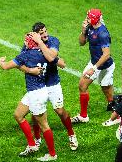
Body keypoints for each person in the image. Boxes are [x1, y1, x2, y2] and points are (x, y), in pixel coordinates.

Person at [0, 32, 57, 161]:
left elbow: (5, 66)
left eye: (25, 41)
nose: (24, 42)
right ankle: (32, 145)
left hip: (37, 94)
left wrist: (0, 61)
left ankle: (52, 154)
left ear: (29, 43)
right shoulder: (45, 53)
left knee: (44, 125)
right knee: (18, 115)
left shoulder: (26, 55)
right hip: (37, 90)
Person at [20, 22, 78, 151]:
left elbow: (52, 57)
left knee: (60, 111)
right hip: (37, 86)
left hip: (52, 84)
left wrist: (40, 43)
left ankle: (71, 134)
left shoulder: (53, 41)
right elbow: (20, 62)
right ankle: (37, 139)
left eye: (46, 31)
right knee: (35, 114)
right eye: (41, 33)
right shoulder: (28, 44)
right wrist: (30, 71)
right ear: (36, 35)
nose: (45, 34)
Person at [71, 8, 115, 123]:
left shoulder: (103, 33)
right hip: (94, 63)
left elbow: (106, 54)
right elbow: (81, 43)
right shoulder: (90, 28)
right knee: (82, 85)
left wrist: (93, 69)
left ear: (94, 19)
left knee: (106, 89)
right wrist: (83, 31)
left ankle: (117, 114)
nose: (86, 19)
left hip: (105, 66)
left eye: (88, 17)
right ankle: (83, 116)